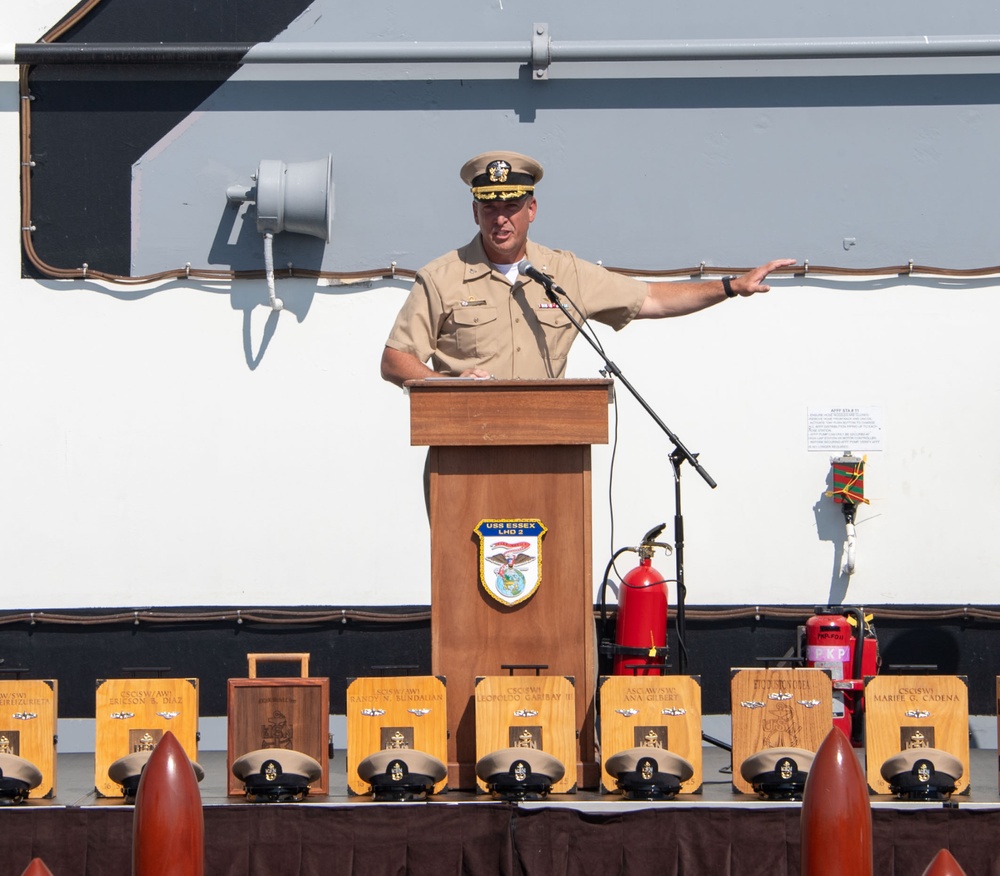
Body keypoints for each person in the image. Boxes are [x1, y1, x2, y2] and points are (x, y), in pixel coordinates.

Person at [380, 150, 795, 386]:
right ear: (475, 213)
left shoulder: (563, 273)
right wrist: (451, 387)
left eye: (512, 207)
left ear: (532, 210)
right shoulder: (441, 277)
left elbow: (651, 299)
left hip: (547, 446)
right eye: (490, 208)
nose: (500, 219)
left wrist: (729, 286)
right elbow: (395, 360)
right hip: (463, 448)